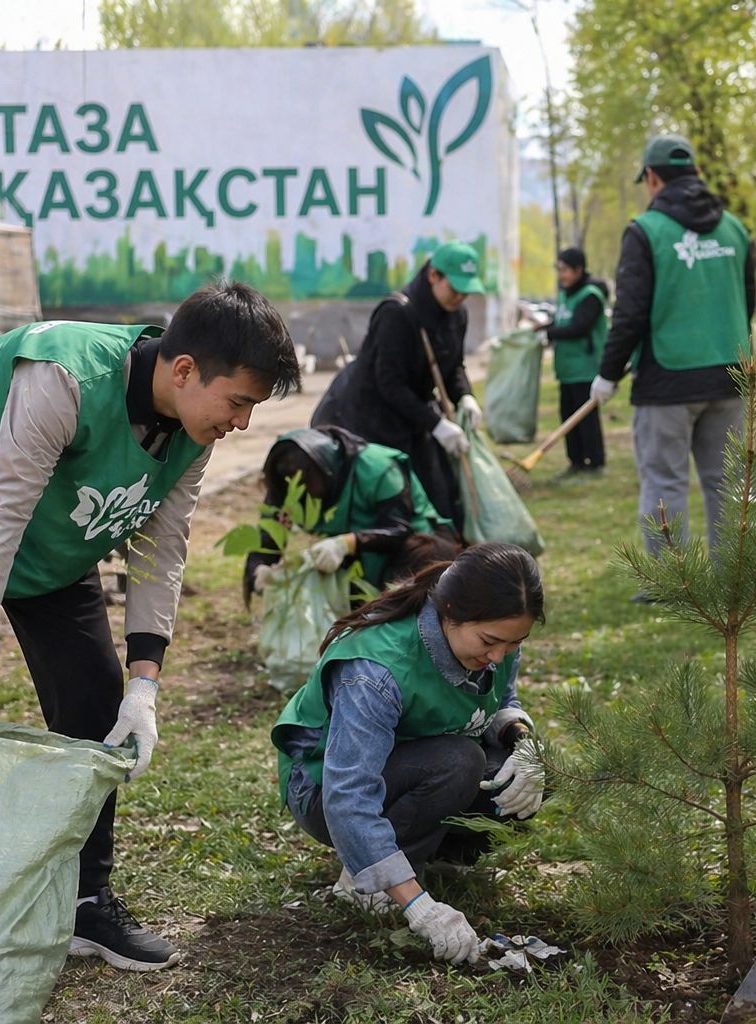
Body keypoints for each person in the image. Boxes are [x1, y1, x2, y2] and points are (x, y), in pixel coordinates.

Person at [0, 282, 300, 972]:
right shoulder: (65, 377)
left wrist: (145, 687)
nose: (243, 424)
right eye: (240, 403)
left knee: (95, 704)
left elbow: (161, 549)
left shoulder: (194, 431)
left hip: (56, 533)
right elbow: (0, 508)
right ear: (185, 370)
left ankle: (85, 904)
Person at [270, 543, 546, 964]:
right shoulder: (375, 671)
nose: (497, 657)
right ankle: (372, 881)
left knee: (531, 770)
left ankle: (430, 856)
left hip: (409, 765)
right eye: (490, 642)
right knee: (460, 762)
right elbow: (348, 795)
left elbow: (501, 699)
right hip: (323, 788)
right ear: (450, 611)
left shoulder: (497, 637)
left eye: (512, 644)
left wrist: (523, 743)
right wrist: (419, 908)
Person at [590, 133, 755, 601]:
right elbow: (750, 299)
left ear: (653, 177)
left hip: (667, 380)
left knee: (665, 482)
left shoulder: (645, 231)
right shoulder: (736, 230)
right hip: (729, 372)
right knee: (727, 485)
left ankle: (672, 583)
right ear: (696, 174)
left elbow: (630, 312)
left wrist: (608, 372)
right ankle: (735, 579)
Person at [312, 241, 487, 530]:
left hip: (412, 415)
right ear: (433, 275)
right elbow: (389, 383)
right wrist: (436, 424)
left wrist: (465, 396)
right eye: (455, 289)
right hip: (370, 417)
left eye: (466, 291)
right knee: (389, 501)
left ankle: (437, 562)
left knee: (439, 497)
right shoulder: (397, 313)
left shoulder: (457, 314)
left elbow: (453, 365)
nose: (460, 297)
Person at [241, 425, 461, 602]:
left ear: (327, 472)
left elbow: (398, 528)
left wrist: (346, 543)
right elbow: (267, 540)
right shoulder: (285, 488)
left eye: (306, 485)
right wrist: (259, 570)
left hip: (414, 551)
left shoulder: (376, 468)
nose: (301, 496)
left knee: (404, 599)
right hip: (355, 562)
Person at [534, 247, 609, 476]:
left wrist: (549, 334)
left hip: (585, 368)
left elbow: (579, 327)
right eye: (559, 269)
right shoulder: (567, 295)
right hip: (567, 369)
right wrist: (541, 329)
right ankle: (575, 461)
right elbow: (561, 323)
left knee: (586, 418)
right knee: (567, 417)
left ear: (579, 270)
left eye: (565, 270)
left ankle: (595, 463)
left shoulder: (590, 296)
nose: (561, 275)